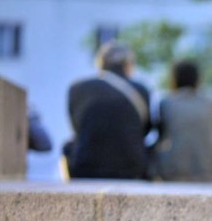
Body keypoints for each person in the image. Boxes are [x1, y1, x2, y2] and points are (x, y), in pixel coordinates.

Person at [64, 41, 153, 179]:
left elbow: (77, 127)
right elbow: (145, 130)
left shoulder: (77, 88)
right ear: (128, 65)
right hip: (131, 169)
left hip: (85, 168)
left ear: (100, 64)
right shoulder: (141, 90)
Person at [149, 59, 212, 183]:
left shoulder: (167, 103)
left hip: (173, 171)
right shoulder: (210, 104)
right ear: (197, 79)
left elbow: (160, 138)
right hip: (206, 170)